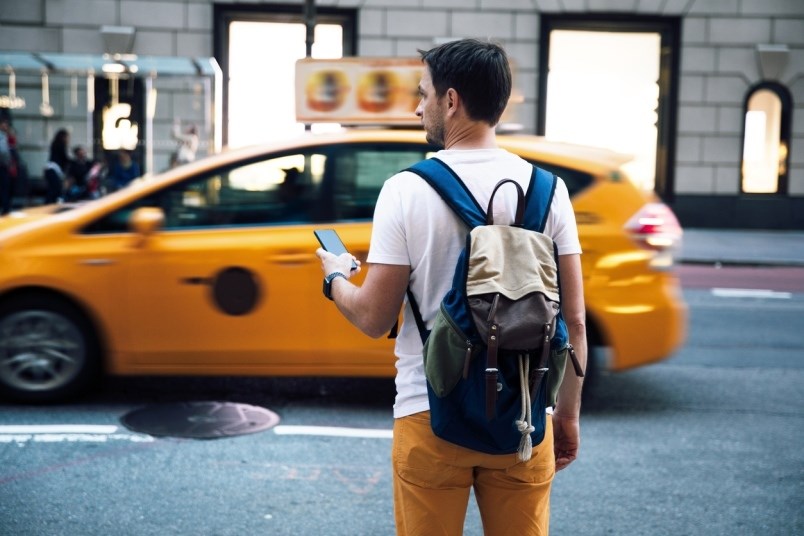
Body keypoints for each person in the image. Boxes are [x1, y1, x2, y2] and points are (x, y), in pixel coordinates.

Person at [315, 39, 587, 535]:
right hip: (522, 419)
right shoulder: (550, 191)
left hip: (429, 413)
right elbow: (575, 321)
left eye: (424, 94)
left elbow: (375, 319)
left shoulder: (406, 189)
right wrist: (565, 413)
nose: (419, 107)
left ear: (452, 100)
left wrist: (335, 278)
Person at [43, 128, 71, 204]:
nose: (68, 140)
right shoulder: (60, 145)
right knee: (55, 189)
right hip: (53, 169)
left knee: (53, 189)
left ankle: (49, 204)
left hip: (50, 169)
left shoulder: (55, 144)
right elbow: (64, 158)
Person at [0, 116, 12, 214]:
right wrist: (8, 162)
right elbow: (4, 152)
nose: (6, 126)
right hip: (2, 166)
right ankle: (5, 210)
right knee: (4, 189)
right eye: (5, 124)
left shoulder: (5, 136)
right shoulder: (2, 136)